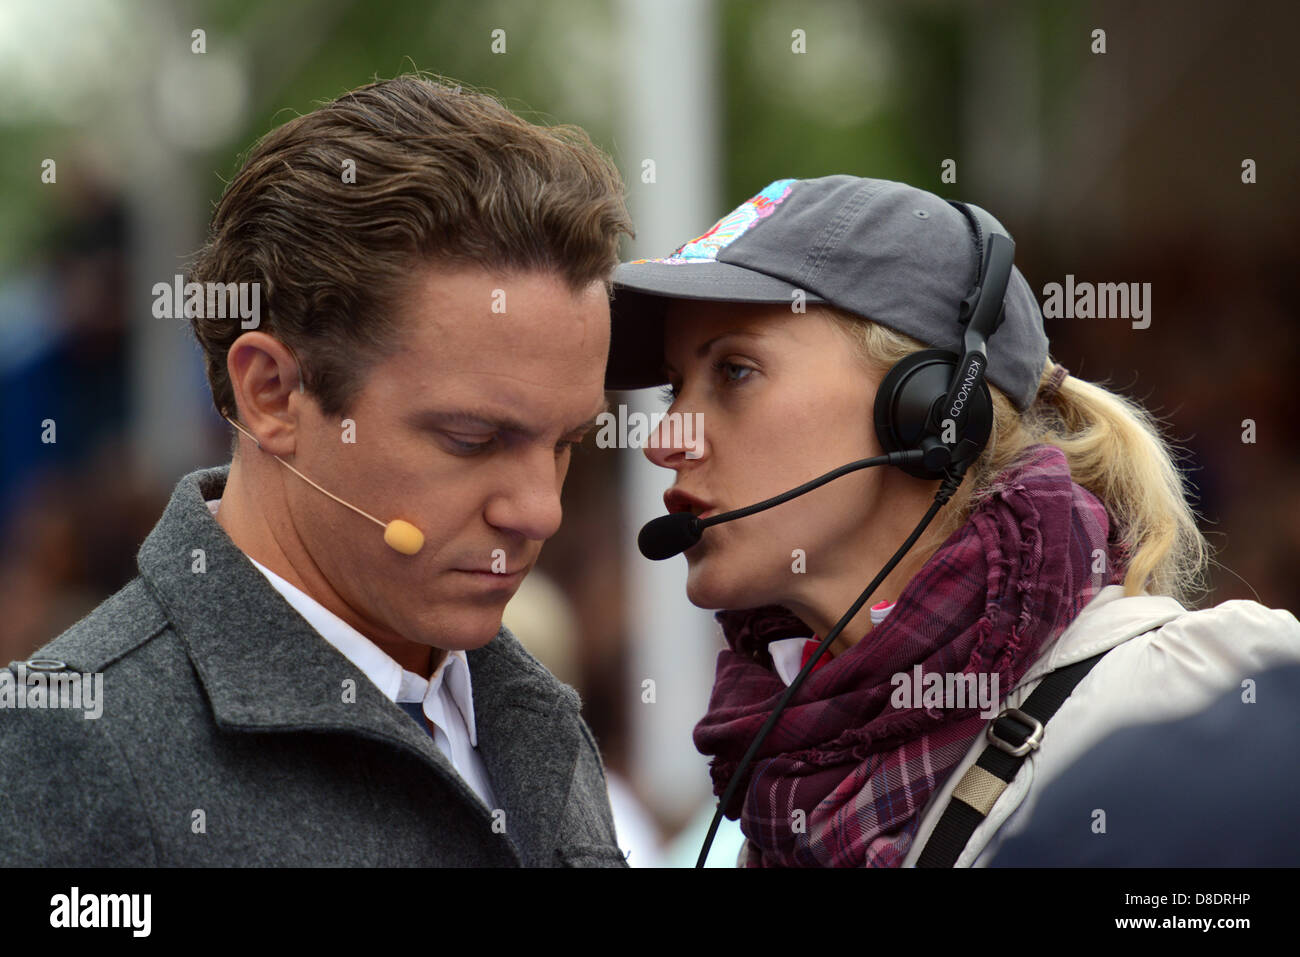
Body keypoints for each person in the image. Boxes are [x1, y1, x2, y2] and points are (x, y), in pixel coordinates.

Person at [0, 74, 634, 867]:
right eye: (473, 438)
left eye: (566, 442)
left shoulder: (531, 714)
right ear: (271, 393)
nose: (540, 510)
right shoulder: (64, 749)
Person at [605, 174, 1300, 867]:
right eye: (675, 387)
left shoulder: (1207, 696)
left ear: (929, 409)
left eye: (733, 371)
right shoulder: (774, 789)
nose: (665, 438)